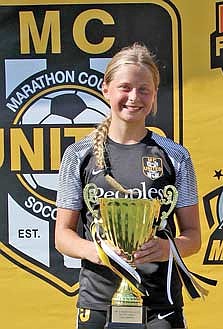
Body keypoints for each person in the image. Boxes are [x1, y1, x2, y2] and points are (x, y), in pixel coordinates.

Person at [55, 42, 201, 329]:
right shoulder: (78, 155)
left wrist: (166, 249)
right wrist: (98, 251)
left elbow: (194, 237)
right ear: (105, 89)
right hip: (98, 302)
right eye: (125, 87)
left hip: (161, 303)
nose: (134, 97)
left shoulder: (176, 155)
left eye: (144, 89)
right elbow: (63, 236)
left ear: (155, 95)